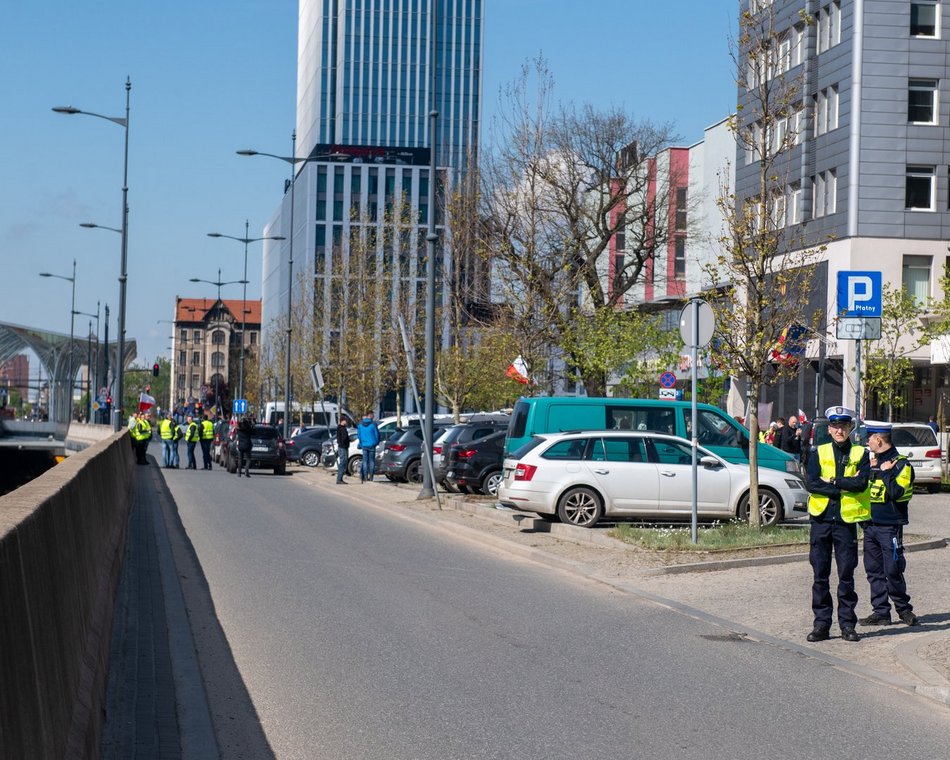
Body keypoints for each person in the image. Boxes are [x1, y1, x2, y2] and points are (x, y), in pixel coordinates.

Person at [804, 406, 871, 643]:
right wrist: (842, 485)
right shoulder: (818, 452)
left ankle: (847, 625)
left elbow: (861, 484)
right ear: (829, 429)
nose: (839, 430)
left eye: (843, 426)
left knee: (846, 575)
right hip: (821, 520)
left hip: (845, 522)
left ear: (850, 428)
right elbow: (811, 483)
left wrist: (832, 480)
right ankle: (821, 625)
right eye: (835, 426)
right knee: (820, 575)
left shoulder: (860, 453)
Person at [859, 421, 920, 628]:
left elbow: (898, 494)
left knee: (893, 569)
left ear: (878, 440)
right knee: (873, 570)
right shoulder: (870, 462)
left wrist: (885, 473)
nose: (867, 443)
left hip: (890, 526)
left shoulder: (902, 464)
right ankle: (881, 612)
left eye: (869, 439)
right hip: (870, 525)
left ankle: (904, 610)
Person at [356, 410, 380, 483]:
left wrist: (361, 443)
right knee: (372, 461)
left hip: (364, 445)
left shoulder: (360, 425)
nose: (373, 416)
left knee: (365, 461)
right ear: (370, 415)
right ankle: (371, 477)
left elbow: (359, 436)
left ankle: (365, 477)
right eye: (373, 414)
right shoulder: (373, 424)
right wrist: (376, 442)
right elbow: (377, 435)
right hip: (372, 445)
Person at [336, 418, 350, 484]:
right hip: (343, 447)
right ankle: (339, 479)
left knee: (342, 462)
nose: (347, 422)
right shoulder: (343, 429)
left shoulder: (339, 428)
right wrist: (348, 440)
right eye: (346, 421)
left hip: (341, 447)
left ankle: (340, 478)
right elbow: (344, 438)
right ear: (343, 421)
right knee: (343, 462)